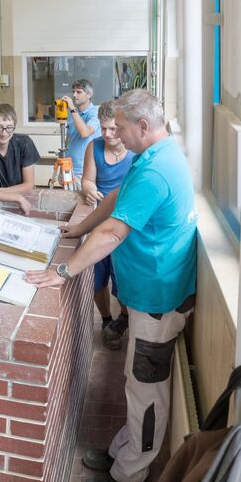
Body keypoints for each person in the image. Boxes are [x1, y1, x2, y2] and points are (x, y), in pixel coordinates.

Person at [21, 89, 196, 482]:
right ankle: (125, 449)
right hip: (147, 292)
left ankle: (133, 473)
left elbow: (115, 231)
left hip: (159, 298)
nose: (112, 131)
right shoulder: (154, 155)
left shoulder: (157, 171)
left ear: (143, 126)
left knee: (146, 389)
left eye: (119, 125)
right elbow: (117, 200)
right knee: (135, 381)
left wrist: (63, 270)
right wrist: (78, 230)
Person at [83, 103, 139, 351]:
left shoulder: (135, 154)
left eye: (112, 129)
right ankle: (107, 319)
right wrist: (88, 188)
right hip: (99, 221)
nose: (106, 134)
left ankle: (124, 318)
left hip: (122, 226)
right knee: (98, 278)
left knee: (123, 281)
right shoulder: (93, 147)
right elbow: (87, 179)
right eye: (103, 129)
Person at [0, 104, 39, 214]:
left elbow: (29, 185)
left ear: (15, 126)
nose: (4, 133)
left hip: (18, 205)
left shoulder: (24, 143)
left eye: (9, 128)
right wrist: (17, 197)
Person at [61, 79, 101, 201]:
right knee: (67, 202)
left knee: (83, 204)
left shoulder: (96, 112)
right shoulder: (72, 114)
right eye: (73, 92)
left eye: (79, 92)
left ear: (89, 95)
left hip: (85, 170)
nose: (74, 95)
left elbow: (85, 132)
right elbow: (69, 136)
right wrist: (63, 158)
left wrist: (72, 110)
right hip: (69, 167)